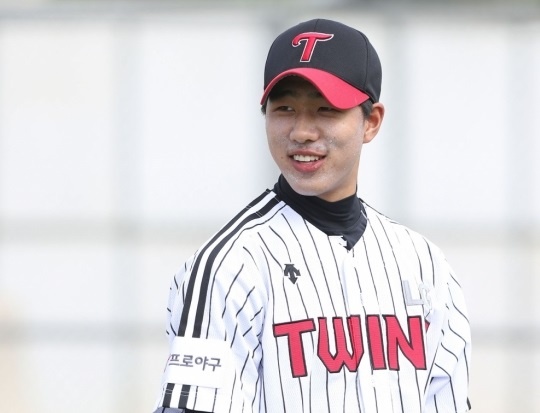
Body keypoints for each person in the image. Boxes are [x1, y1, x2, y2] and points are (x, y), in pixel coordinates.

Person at [152, 18, 472, 413]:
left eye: (325, 109)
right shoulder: (230, 267)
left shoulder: (424, 264)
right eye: (285, 108)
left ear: (371, 122)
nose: (302, 131)